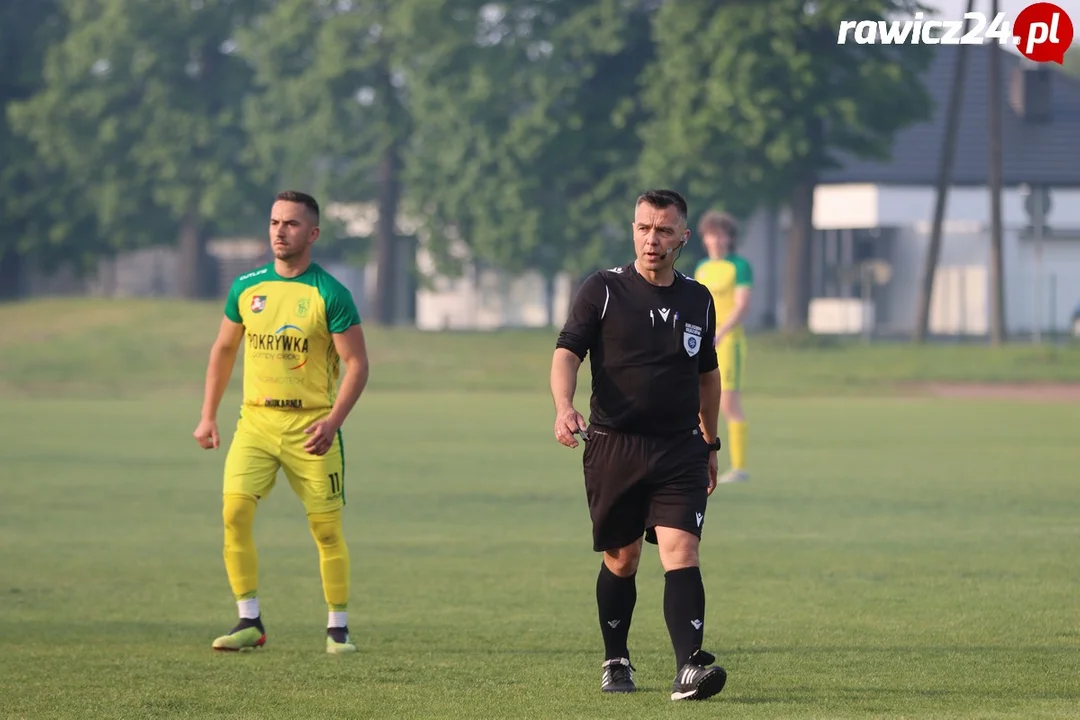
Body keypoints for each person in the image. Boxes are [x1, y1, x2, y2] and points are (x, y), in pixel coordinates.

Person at [550, 189, 727, 702]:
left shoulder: (699, 299)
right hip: (614, 446)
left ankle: (688, 668)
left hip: (679, 449)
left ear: (683, 239)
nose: (653, 240)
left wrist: (710, 444)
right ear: (633, 231)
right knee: (622, 559)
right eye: (644, 228)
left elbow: (708, 379)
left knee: (682, 551)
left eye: (665, 231)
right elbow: (566, 354)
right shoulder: (603, 289)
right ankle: (615, 657)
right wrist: (564, 407)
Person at [193, 190, 370, 654]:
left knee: (326, 530)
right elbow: (224, 350)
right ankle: (249, 621)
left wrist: (333, 421)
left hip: (311, 426)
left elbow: (357, 364)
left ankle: (338, 629)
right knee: (234, 513)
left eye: (290, 224)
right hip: (255, 421)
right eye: (274, 222)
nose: (279, 231)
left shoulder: (329, 293)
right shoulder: (246, 287)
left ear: (311, 234)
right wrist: (208, 414)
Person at [693, 210, 753, 484]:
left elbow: (742, 305)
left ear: (729, 238)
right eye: (710, 235)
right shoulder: (702, 268)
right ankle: (700, 459)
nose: (715, 240)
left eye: (720, 235)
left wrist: (721, 332)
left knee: (727, 403)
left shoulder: (739, 266)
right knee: (697, 402)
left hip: (728, 344)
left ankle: (739, 467)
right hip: (702, 343)